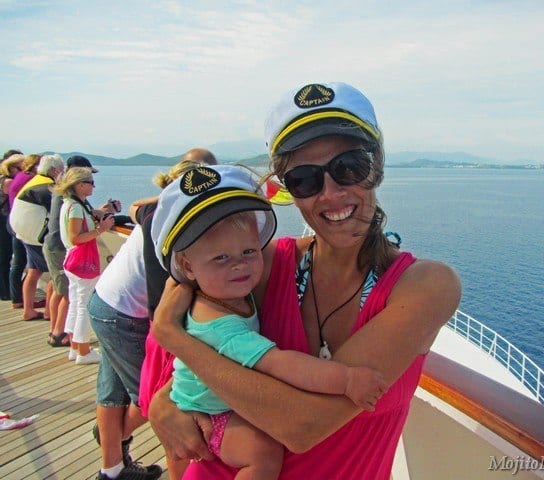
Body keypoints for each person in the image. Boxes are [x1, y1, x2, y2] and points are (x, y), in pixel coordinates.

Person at [148, 82, 462, 479]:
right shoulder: (258, 265)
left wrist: (173, 338)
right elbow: (182, 350)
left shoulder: (425, 285)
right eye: (305, 179)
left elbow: (303, 427)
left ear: (377, 165)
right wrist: (162, 404)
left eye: (349, 167)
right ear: (285, 189)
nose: (331, 193)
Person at [150, 165, 388, 479]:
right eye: (221, 258)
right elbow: (280, 363)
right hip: (214, 413)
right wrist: (346, 380)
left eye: (249, 250)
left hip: (199, 402)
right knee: (263, 455)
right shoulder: (222, 324)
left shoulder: (224, 293)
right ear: (187, 266)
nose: (239, 265)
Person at [87, 149, 216, 480]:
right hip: (124, 314)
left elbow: (138, 206)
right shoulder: (172, 220)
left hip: (105, 301)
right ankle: (117, 441)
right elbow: (166, 295)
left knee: (113, 393)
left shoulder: (158, 207)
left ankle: (111, 467)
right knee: (158, 398)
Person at [55, 167, 115, 364]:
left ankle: (75, 347)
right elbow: (76, 237)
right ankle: (83, 350)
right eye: (90, 182)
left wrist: (105, 211)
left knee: (75, 302)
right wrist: (101, 230)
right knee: (83, 305)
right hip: (82, 260)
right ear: (80, 185)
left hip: (72, 259)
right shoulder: (76, 208)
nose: (93, 186)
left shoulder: (72, 204)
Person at [9, 153, 65, 322]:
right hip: (36, 235)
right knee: (53, 275)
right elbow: (58, 213)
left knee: (33, 271)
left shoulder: (33, 182)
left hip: (22, 231)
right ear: (54, 170)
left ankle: (28, 310)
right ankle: (49, 312)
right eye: (62, 170)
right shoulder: (47, 187)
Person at [7, 153, 40, 310]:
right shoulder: (30, 179)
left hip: (16, 222)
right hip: (24, 225)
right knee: (31, 266)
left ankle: (17, 298)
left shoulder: (20, 177)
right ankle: (21, 301)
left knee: (18, 263)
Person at [0, 152, 24, 300]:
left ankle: (7, 290)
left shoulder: (3, 179)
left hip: (4, 218)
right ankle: (6, 292)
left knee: (5, 256)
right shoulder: (8, 182)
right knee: (5, 256)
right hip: (4, 219)